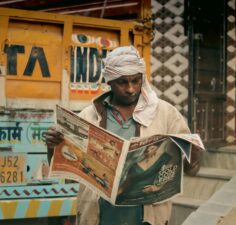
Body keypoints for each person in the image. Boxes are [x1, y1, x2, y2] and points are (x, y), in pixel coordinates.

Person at [45, 46, 201, 225]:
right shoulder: (88, 116)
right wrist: (51, 146)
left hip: (148, 217)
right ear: (109, 82)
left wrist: (194, 151)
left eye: (136, 81)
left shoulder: (165, 113)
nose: (131, 89)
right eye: (122, 82)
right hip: (99, 216)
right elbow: (64, 170)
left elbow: (192, 168)